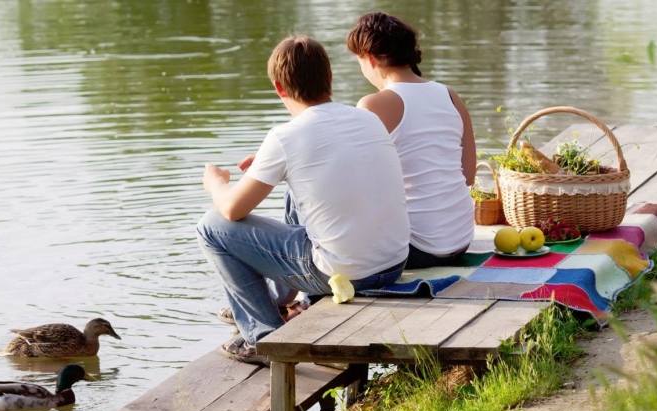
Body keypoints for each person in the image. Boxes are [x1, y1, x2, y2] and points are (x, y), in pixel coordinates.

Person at [196, 35, 410, 366]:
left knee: (211, 226)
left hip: (345, 274)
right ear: (330, 78)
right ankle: (281, 301)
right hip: (393, 264)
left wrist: (216, 182)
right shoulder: (367, 118)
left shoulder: (285, 136)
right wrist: (274, 166)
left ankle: (264, 339)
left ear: (280, 88)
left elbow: (230, 209)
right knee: (294, 186)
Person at [347, 12, 477, 269]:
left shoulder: (373, 104)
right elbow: (469, 176)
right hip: (461, 240)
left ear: (370, 59)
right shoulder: (449, 95)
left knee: (302, 192)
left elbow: (352, 183)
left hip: (415, 248)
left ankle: (304, 298)